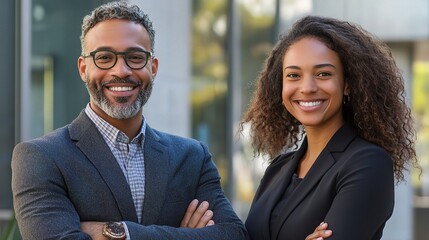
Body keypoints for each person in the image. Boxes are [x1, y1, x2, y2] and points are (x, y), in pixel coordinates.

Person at [11, 1, 248, 240]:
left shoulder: (192, 157)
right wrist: (184, 235)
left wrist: (121, 233)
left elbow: (233, 234)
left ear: (152, 68)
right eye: (104, 57)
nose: (121, 71)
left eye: (135, 57)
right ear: (83, 68)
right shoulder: (41, 157)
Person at [240, 15, 417, 240]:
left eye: (323, 74)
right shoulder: (278, 168)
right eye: (293, 75)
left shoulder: (367, 163)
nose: (307, 87)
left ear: (348, 84)